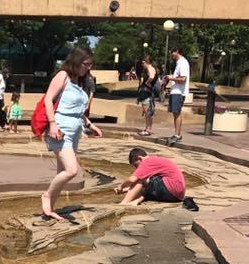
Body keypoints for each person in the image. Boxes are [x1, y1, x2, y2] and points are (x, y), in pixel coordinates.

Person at [41, 46, 103, 222]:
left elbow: (78, 110)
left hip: (74, 130)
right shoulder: (63, 76)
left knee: (63, 172)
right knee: (71, 170)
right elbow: (48, 99)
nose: (88, 68)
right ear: (76, 61)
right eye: (86, 64)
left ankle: (50, 209)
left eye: (90, 65)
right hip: (60, 129)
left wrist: (90, 125)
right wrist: (52, 124)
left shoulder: (78, 81)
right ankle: (46, 196)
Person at [114, 147, 186, 206]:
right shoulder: (155, 159)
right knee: (146, 181)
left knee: (140, 179)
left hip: (171, 190)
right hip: (178, 195)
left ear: (140, 158)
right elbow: (149, 183)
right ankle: (137, 200)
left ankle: (124, 203)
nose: (136, 168)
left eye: (136, 165)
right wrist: (124, 190)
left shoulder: (147, 162)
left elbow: (132, 180)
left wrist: (121, 186)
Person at [166, 47, 190, 144]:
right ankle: (176, 134)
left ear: (177, 52)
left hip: (179, 92)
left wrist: (171, 78)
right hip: (175, 91)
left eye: (173, 52)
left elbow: (183, 79)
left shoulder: (183, 62)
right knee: (175, 113)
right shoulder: (179, 63)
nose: (172, 55)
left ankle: (177, 135)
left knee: (177, 113)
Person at [136, 55, 158, 137]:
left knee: (147, 112)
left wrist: (147, 82)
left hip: (147, 93)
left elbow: (151, 76)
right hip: (146, 93)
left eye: (143, 63)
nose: (142, 65)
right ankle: (147, 128)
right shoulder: (149, 69)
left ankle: (148, 129)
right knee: (147, 112)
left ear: (146, 62)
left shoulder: (150, 68)